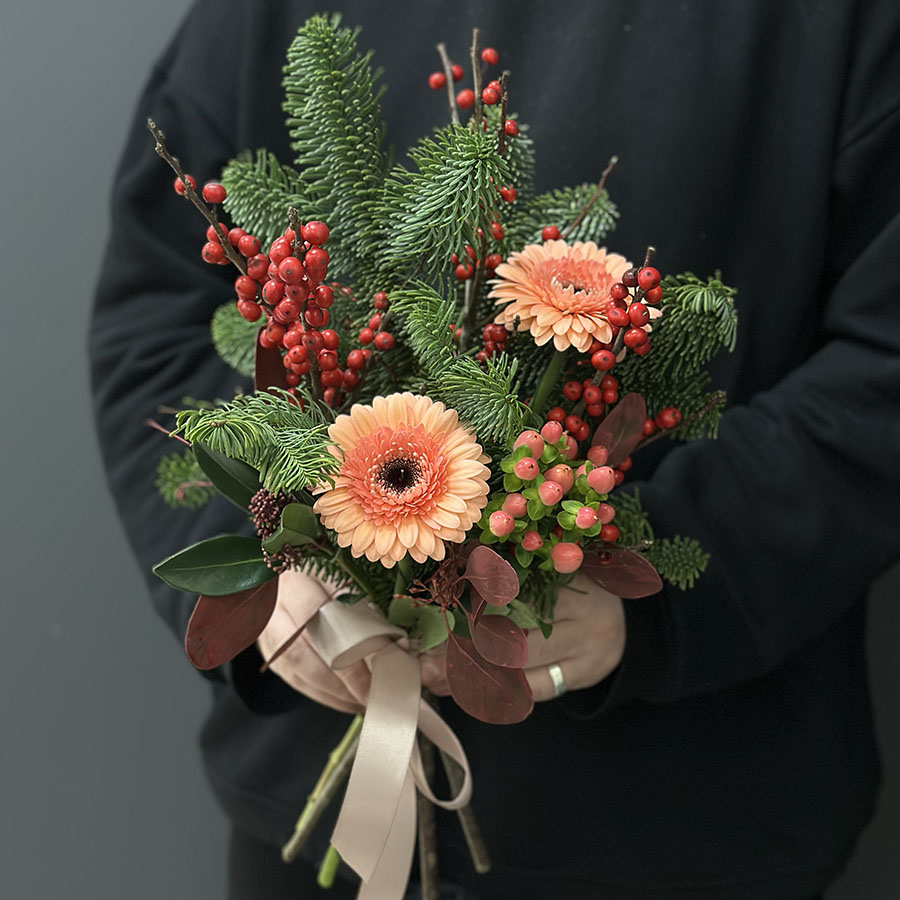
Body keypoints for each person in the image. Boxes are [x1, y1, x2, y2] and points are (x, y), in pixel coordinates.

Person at [91, 1, 900, 898]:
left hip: (692, 821)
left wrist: (654, 588)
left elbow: (882, 370)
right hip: (316, 812)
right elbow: (155, 310)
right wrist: (266, 567)